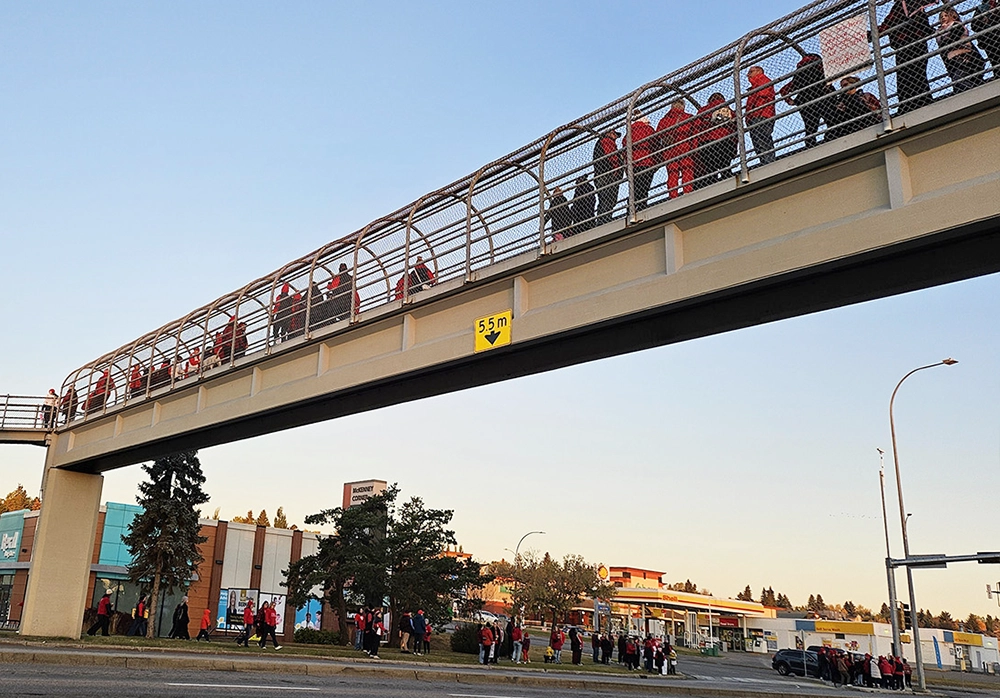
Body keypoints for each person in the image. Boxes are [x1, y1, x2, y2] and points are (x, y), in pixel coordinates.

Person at [879, 1, 935, 112]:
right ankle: (922, 99)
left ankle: (908, 103)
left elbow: (888, 23)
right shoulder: (914, 5)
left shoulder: (904, 4)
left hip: (906, 44)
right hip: (917, 43)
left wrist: (874, 33)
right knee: (917, 73)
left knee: (906, 75)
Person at [779, 53, 833, 148]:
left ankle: (810, 145)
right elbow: (829, 76)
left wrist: (791, 101)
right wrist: (827, 85)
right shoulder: (818, 66)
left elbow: (783, 90)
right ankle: (830, 138)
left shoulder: (799, 72)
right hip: (822, 97)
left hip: (805, 101)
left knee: (810, 126)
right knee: (831, 120)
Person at [693, 93, 737, 188]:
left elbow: (696, 129)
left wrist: (697, 146)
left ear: (709, 100)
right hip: (726, 141)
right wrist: (734, 146)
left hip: (707, 142)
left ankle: (712, 186)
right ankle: (729, 183)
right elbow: (735, 128)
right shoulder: (729, 110)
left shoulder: (704, 110)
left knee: (710, 168)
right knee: (725, 165)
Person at [938, 8, 987, 94]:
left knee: (961, 80)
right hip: (954, 61)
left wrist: (945, 31)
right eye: (941, 16)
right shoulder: (939, 31)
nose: (943, 18)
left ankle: (977, 95)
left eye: (946, 15)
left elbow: (954, 36)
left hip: (967, 57)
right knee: (959, 83)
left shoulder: (956, 24)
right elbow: (942, 47)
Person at [655, 100, 697, 198]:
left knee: (672, 173)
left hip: (669, 150)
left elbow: (657, 137)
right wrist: (694, 149)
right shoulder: (688, 117)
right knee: (687, 170)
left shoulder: (663, 121)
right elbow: (694, 134)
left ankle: (673, 195)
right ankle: (687, 192)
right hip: (685, 147)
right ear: (683, 106)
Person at [825, 76, 882, 141]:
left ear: (853, 84)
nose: (844, 88)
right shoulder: (842, 101)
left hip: (866, 120)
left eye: (846, 85)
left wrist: (867, 104)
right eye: (842, 87)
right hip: (850, 125)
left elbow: (877, 108)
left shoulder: (865, 95)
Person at [744, 66, 777, 164]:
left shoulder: (762, 80)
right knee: (758, 141)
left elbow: (761, 95)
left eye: (751, 72)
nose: (748, 75)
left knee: (762, 139)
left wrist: (751, 111)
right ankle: (765, 161)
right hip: (757, 115)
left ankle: (768, 162)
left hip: (761, 114)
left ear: (759, 71)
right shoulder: (756, 84)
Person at [628, 110, 657, 210]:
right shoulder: (648, 130)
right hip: (647, 162)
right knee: (644, 188)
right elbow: (655, 143)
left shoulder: (629, 132)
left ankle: (631, 209)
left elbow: (625, 148)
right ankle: (642, 207)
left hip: (634, 165)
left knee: (635, 188)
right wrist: (656, 161)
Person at [592, 128, 622, 225]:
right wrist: (616, 171)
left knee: (604, 199)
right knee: (608, 199)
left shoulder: (602, 142)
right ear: (609, 133)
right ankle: (604, 220)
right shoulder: (607, 142)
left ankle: (602, 220)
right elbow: (612, 157)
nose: (616, 137)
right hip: (608, 175)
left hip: (602, 175)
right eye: (614, 134)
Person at [972, 0, 1000, 75]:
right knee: (996, 62)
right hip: (991, 40)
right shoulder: (982, 8)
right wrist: (983, 19)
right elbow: (974, 25)